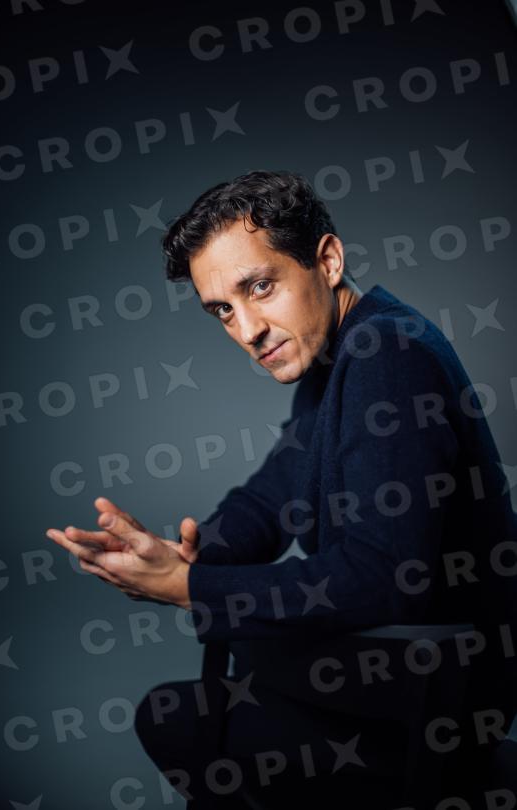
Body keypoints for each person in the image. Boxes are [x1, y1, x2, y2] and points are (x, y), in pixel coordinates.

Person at [46, 170, 517, 808]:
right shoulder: (336, 353)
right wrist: (195, 552)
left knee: (178, 718)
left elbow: (384, 576)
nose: (247, 330)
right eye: (223, 310)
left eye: (259, 287)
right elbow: (273, 494)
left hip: (439, 694)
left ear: (327, 260)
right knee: (193, 707)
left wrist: (190, 589)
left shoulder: (387, 353)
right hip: (401, 668)